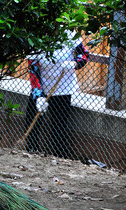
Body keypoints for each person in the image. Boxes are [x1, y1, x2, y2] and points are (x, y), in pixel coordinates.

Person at [24, 30, 89, 158]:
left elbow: (85, 54)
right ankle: (32, 151)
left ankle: (59, 156)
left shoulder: (69, 33)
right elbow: (33, 68)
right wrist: (38, 96)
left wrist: (74, 63)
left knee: (58, 126)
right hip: (41, 86)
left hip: (63, 88)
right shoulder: (36, 34)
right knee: (32, 121)